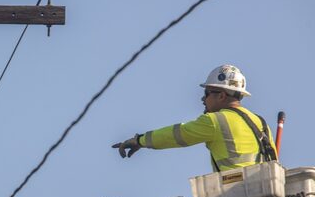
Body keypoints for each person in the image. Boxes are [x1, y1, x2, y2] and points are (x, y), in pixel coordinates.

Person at [112, 64, 277, 171]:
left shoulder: (215, 121)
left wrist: (140, 140)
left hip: (236, 196)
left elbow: (176, 135)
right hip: (264, 196)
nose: (203, 99)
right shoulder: (260, 122)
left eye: (207, 93)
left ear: (221, 96)